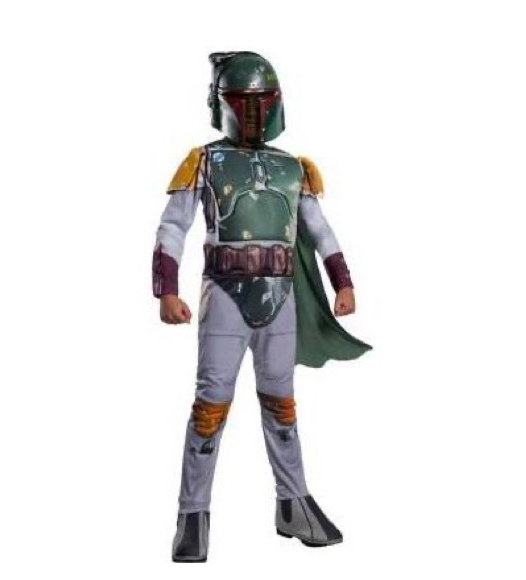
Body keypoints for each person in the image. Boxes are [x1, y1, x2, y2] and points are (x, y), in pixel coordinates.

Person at [152, 51, 371, 563]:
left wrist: (343, 282)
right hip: (225, 293)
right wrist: (167, 289)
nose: (253, 111)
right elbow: (172, 226)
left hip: (281, 294)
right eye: (242, 101)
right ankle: (192, 514)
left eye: (261, 101)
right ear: (222, 103)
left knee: (281, 406)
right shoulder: (204, 161)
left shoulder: (293, 168)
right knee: (210, 408)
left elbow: (319, 230)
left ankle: (293, 502)